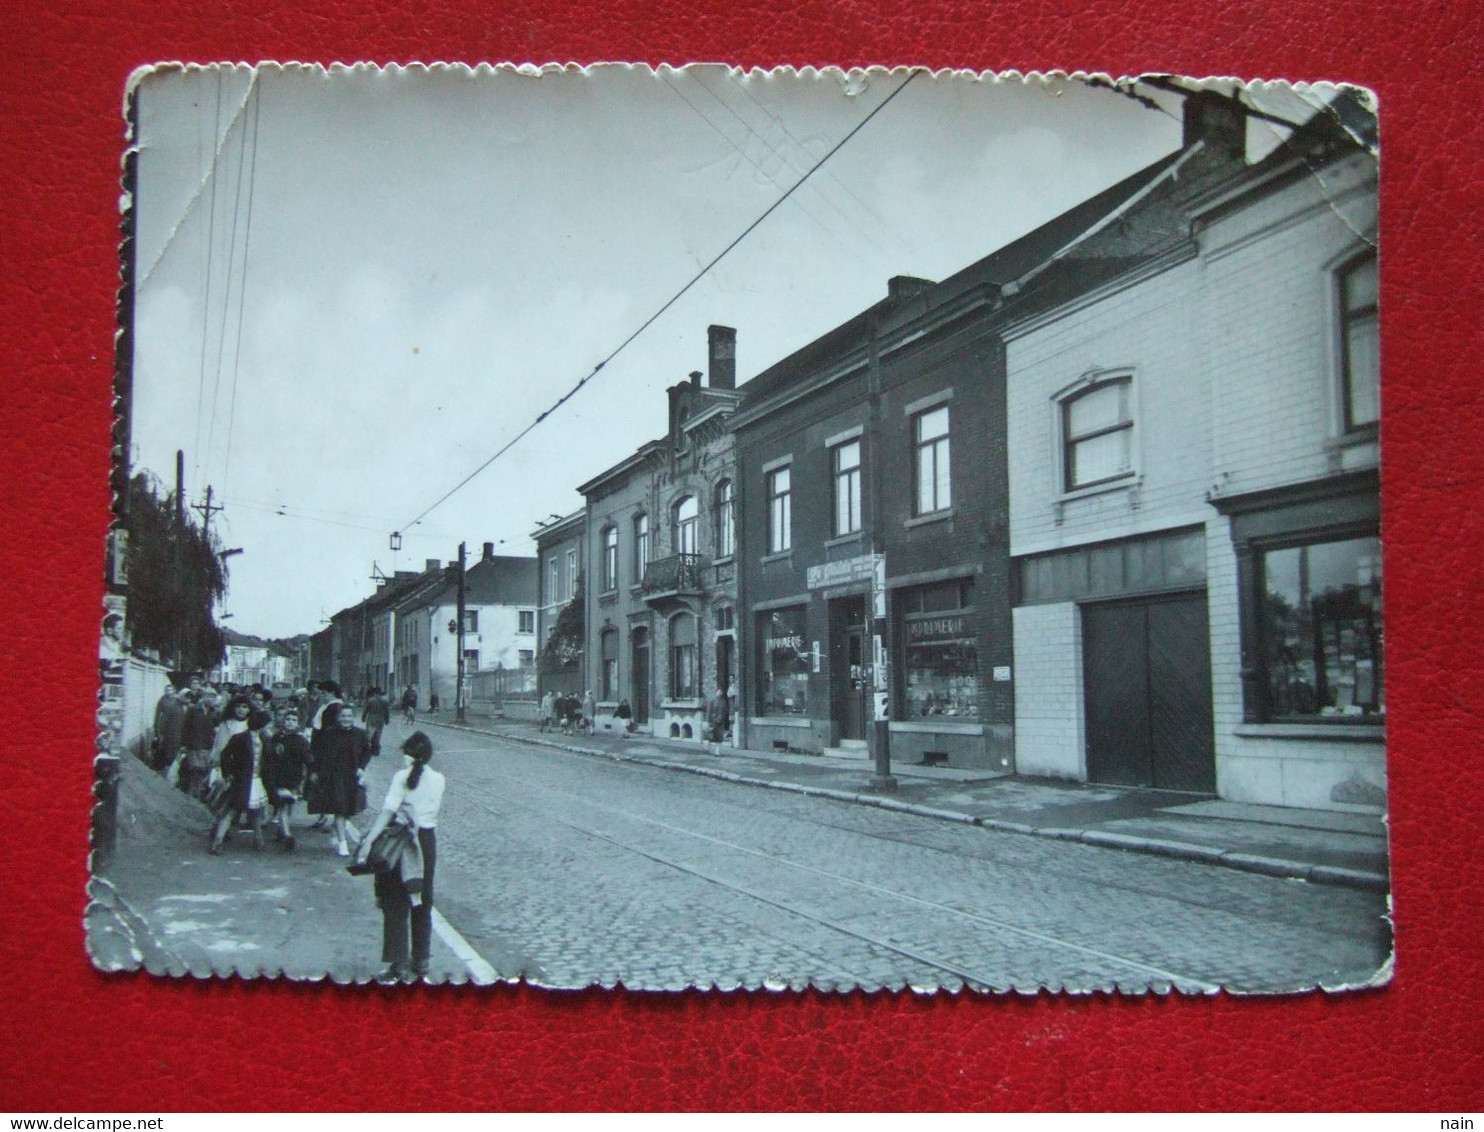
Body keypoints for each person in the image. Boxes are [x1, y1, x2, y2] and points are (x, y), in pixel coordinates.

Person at [356, 730, 445, 984]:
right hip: (426, 842)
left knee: (395, 902)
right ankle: (422, 960)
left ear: (407, 754)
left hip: (401, 842)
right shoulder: (439, 779)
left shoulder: (401, 778)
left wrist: (369, 842)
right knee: (421, 898)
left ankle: (398, 965)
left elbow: (387, 812)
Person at [309, 702, 370, 856]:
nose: (346, 719)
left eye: (349, 716)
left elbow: (366, 753)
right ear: (338, 718)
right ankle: (343, 843)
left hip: (352, 776)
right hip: (333, 776)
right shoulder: (329, 733)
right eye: (343, 716)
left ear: (353, 717)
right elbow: (318, 753)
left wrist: (361, 767)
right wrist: (315, 771)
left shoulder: (360, 734)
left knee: (348, 808)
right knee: (340, 809)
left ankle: (339, 835)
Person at [209, 709, 272, 855]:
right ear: (261, 725)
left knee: (255, 812)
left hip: (255, 780)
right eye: (267, 725)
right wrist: (228, 774)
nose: (268, 728)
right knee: (230, 811)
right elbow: (225, 755)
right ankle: (217, 842)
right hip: (241, 781)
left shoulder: (264, 740)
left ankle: (259, 839)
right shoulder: (240, 738)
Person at [263, 707, 312, 849]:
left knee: (288, 805)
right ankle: (287, 835)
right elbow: (268, 756)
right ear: (283, 722)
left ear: (297, 724)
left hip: (293, 777)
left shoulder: (301, 740)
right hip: (278, 776)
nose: (290, 722)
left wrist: (309, 772)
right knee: (284, 804)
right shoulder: (276, 737)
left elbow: (307, 758)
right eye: (288, 720)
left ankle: (282, 829)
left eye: (293, 720)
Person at [177, 691, 216, 799]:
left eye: (214, 697)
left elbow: (215, 730)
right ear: (204, 697)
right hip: (193, 746)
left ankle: (197, 796)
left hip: (206, 747)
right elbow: (185, 727)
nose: (212, 700)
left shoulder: (214, 712)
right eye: (210, 696)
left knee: (202, 772)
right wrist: (183, 744)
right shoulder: (193, 710)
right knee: (194, 770)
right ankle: (189, 795)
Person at [151, 686, 184, 772]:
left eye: (170, 690)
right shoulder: (162, 701)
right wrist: (157, 731)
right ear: (165, 691)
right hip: (165, 727)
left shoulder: (176, 701)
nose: (169, 692)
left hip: (174, 727)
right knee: (164, 748)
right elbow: (158, 715)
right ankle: (161, 766)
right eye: (167, 690)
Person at [361, 687, 390, 757]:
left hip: (371, 719)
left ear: (374, 693)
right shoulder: (385, 701)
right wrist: (387, 720)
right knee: (378, 735)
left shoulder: (371, 700)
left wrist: (363, 718)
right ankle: (376, 749)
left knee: (369, 735)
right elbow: (387, 712)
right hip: (380, 720)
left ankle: (368, 749)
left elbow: (366, 710)